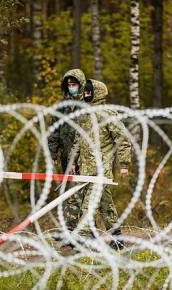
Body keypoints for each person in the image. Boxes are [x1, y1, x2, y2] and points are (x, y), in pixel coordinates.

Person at [69, 79, 131, 250]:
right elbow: (78, 141)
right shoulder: (84, 115)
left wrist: (124, 164)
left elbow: (123, 139)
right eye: (86, 92)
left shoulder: (108, 114)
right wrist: (74, 161)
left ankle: (82, 240)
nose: (87, 94)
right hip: (86, 169)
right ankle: (117, 237)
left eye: (90, 92)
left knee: (88, 205)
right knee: (105, 204)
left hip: (101, 169)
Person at [48, 69, 87, 233]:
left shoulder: (86, 104)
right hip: (65, 155)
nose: (71, 87)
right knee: (67, 192)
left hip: (84, 156)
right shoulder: (61, 107)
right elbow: (54, 130)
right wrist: (52, 152)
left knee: (82, 191)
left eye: (74, 84)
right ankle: (69, 229)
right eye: (69, 84)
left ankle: (82, 230)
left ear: (81, 84)